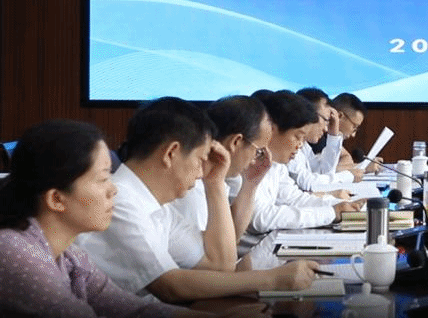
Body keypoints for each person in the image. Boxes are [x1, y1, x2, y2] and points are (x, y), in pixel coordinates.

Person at [75, 97, 319, 302]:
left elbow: (221, 264)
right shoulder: (120, 201)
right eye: (200, 159)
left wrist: (215, 184)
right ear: (171, 153)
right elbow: (171, 286)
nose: (203, 171)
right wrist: (272, 279)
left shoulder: (159, 208)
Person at [0, 119, 186, 317]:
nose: (113, 189)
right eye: (103, 179)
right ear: (56, 199)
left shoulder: (72, 256)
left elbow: (134, 309)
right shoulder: (13, 251)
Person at [246, 90, 365, 241]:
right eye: (297, 136)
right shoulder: (247, 163)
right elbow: (261, 218)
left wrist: (341, 206)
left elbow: (296, 199)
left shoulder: (277, 166)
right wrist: (332, 212)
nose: (300, 145)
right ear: (272, 129)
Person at [171, 95, 273, 244]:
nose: (254, 160)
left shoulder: (217, 177)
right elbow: (221, 252)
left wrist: (251, 183)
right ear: (235, 142)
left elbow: (232, 235)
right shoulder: (194, 187)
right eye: (258, 151)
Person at [289, 87, 358, 189]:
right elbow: (308, 183)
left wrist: (333, 135)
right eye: (326, 120)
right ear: (308, 114)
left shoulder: (305, 147)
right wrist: (347, 176)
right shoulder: (288, 145)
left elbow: (323, 173)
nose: (326, 129)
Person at [330, 92, 380, 176]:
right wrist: (362, 167)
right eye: (354, 127)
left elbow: (346, 156)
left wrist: (341, 167)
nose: (353, 135)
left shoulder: (333, 138)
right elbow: (324, 172)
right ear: (339, 116)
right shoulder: (319, 137)